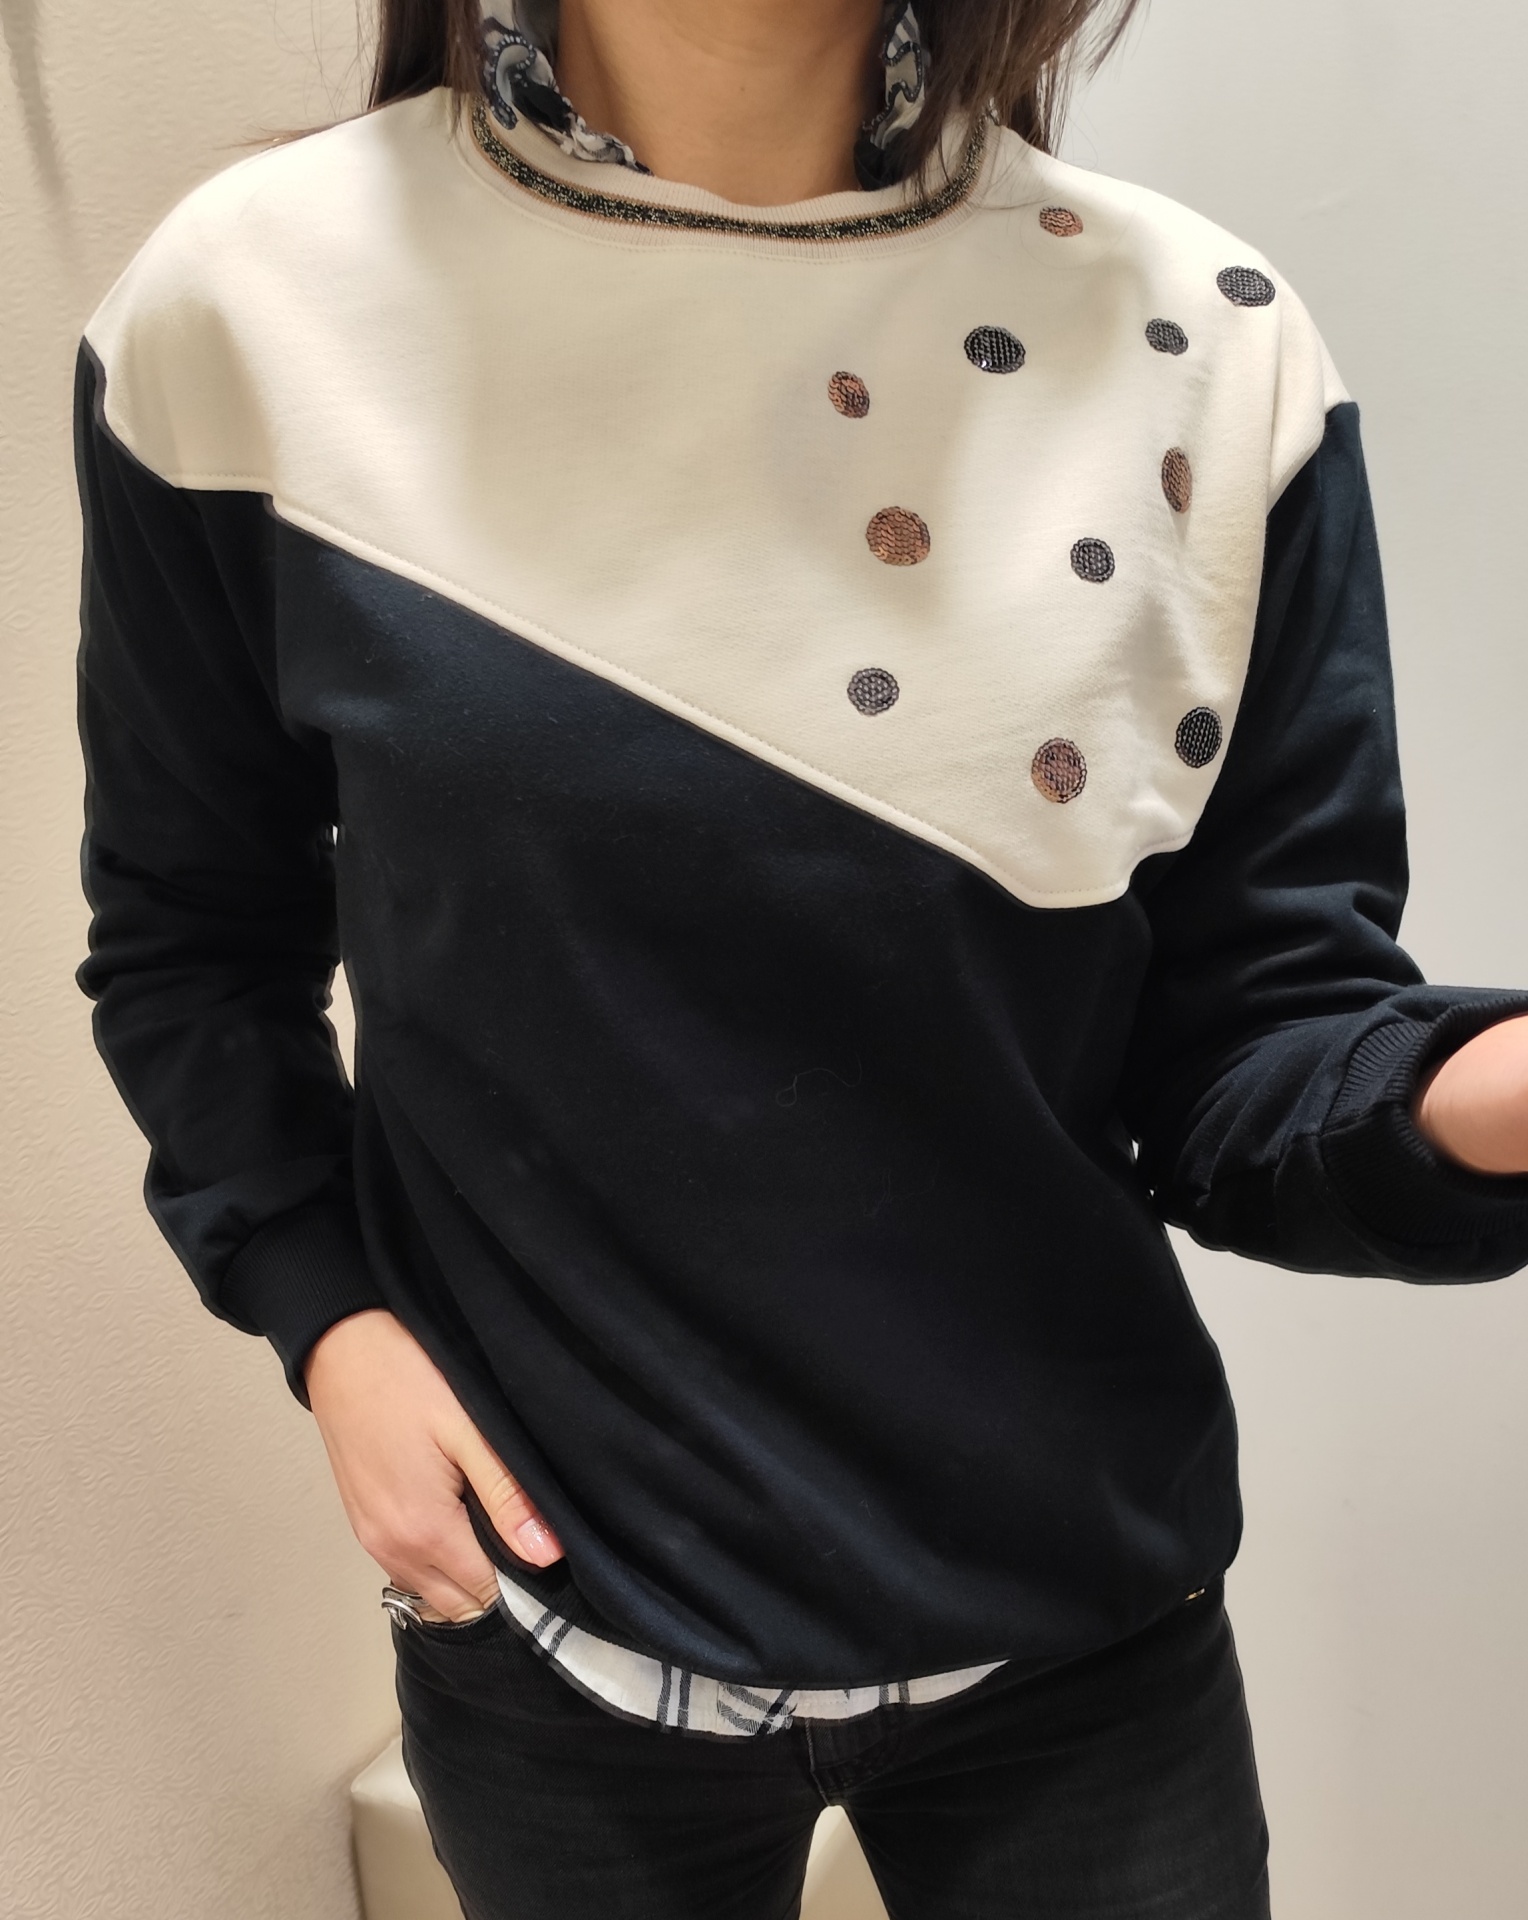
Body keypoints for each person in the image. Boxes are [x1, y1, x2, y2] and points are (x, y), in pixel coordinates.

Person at [73, 0, 1528, 1914]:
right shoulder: (247, 305)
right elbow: (190, 937)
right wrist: (326, 1319)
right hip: (554, 1623)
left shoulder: (1210, 341)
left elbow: (1250, 1047)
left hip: (1083, 1634)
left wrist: (1490, 1098)